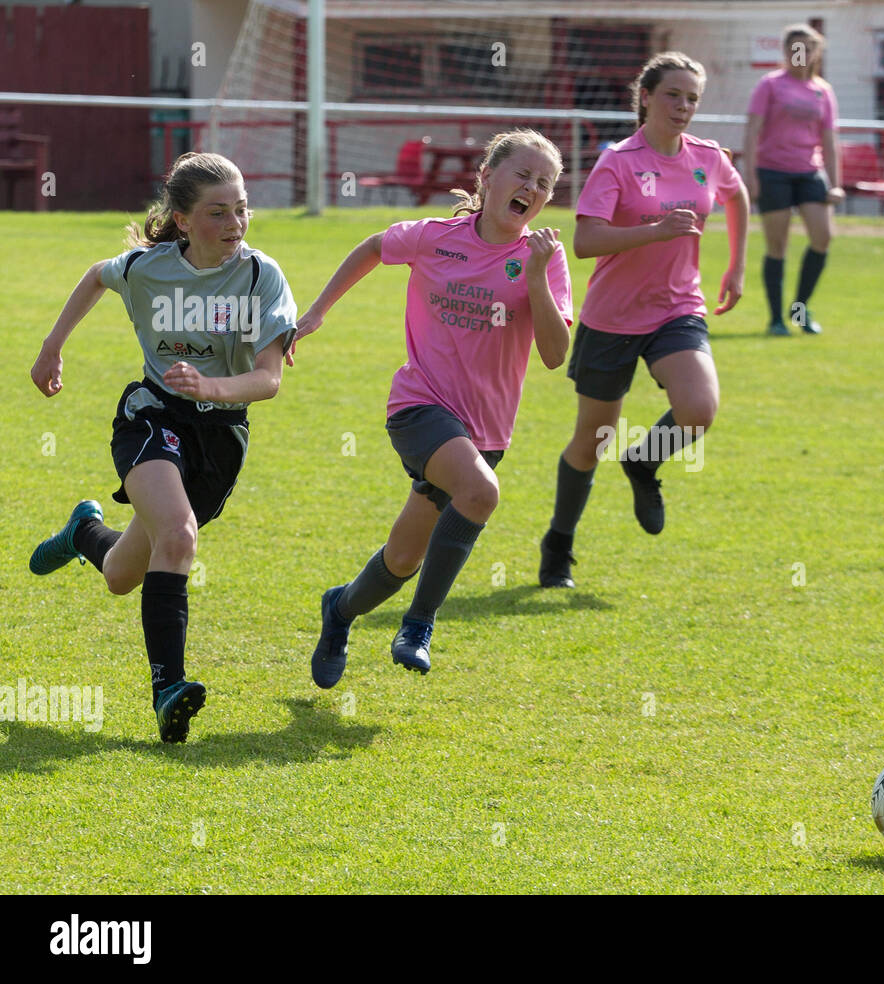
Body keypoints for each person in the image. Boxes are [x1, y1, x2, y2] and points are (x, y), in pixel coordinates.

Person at [27, 152, 297, 742]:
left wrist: (212, 387)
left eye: (242, 209)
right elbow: (99, 274)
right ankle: (167, 689)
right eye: (217, 212)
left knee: (124, 573)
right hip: (151, 415)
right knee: (178, 536)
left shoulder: (260, 276)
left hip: (222, 434)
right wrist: (53, 345)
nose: (235, 223)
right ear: (181, 219)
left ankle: (83, 535)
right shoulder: (149, 268)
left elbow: (269, 380)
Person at [297, 129, 572, 689]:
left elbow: (553, 354)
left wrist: (538, 277)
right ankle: (419, 626)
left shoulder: (545, 257)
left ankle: (340, 611)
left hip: (486, 432)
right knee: (481, 493)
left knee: (401, 559)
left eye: (544, 183)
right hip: (419, 407)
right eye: (521, 174)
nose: (532, 189)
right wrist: (319, 311)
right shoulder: (434, 237)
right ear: (487, 176)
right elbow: (375, 247)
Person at [537, 51, 748, 589]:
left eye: (693, 98)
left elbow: (737, 195)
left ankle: (644, 463)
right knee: (592, 439)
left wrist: (737, 266)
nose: (683, 107)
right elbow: (585, 241)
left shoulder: (706, 155)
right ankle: (558, 545)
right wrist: (654, 230)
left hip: (677, 308)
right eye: (673, 95)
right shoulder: (619, 161)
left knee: (698, 409)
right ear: (647, 97)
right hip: (611, 317)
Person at [743, 23, 843, 336]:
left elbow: (829, 140)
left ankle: (799, 310)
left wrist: (836, 182)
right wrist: (751, 177)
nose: (800, 54)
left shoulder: (823, 90)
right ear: (786, 52)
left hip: (809, 173)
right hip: (773, 172)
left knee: (823, 237)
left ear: (815, 53)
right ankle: (776, 319)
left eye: (807, 48)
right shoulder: (770, 85)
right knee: (777, 246)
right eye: (794, 48)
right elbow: (751, 132)